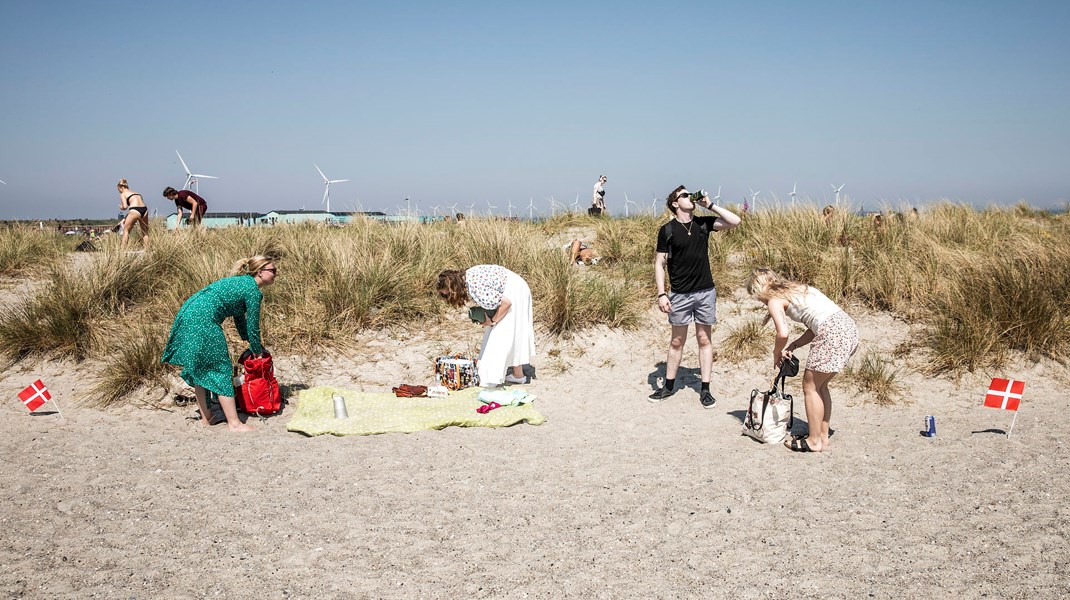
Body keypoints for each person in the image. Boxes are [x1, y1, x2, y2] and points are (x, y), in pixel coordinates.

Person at [746, 268, 859, 453]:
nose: (760, 301)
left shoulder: (774, 300)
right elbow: (816, 324)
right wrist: (794, 346)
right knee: (821, 387)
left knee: (810, 387)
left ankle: (813, 441)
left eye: (756, 296)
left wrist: (777, 352)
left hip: (832, 333)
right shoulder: (800, 289)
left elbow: (782, 333)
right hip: (848, 329)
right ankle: (822, 435)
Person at [161, 255, 277, 432]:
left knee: (200, 368)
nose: (276, 274)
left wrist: (251, 343)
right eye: (273, 271)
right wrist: (257, 350)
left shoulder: (242, 283)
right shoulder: (253, 291)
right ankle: (235, 424)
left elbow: (240, 321)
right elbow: (253, 326)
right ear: (260, 272)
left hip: (190, 312)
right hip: (203, 319)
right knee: (220, 368)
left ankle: (207, 418)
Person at [650, 185, 741, 408]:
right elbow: (660, 263)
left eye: (691, 194)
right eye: (684, 195)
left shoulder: (702, 223)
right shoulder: (667, 230)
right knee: (677, 341)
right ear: (674, 203)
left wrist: (709, 205)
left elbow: (735, 221)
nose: (690, 198)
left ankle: (706, 389)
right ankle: (669, 387)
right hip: (679, 294)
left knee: (704, 339)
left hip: (705, 292)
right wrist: (662, 293)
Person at [437, 266, 535, 387]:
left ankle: (490, 379)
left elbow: (506, 303)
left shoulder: (475, 288)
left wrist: (492, 321)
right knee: (511, 332)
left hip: (514, 291)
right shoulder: (467, 278)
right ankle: (518, 375)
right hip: (516, 286)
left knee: (501, 334)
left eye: (448, 295)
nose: (448, 298)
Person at [116, 178, 150, 249]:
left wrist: (122, 208)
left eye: (118, 189)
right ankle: (147, 250)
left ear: (121, 187)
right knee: (145, 232)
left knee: (126, 230)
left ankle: (122, 250)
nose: (118, 191)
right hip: (144, 210)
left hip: (135, 210)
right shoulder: (137, 193)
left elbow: (126, 207)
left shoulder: (123, 194)